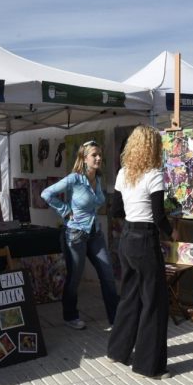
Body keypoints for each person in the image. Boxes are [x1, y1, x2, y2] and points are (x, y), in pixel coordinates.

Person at [106, 125, 178, 379]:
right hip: (145, 239)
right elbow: (159, 215)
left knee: (129, 296)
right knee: (154, 303)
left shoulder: (123, 173)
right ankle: (149, 366)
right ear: (153, 147)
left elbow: (115, 210)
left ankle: (117, 351)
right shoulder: (154, 174)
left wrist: (133, 214)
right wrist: (173, 233)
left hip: (126, 239)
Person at [41, 140, 119, 330]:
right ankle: (70, 316)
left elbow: (98, 202)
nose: (99, 158)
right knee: (75, 278)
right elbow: (46, 194)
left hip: (95, 233)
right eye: (94, 155)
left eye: (100, 154)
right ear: (84, 158)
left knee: (107, 274)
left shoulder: (98, 178)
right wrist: (65, 210)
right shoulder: (74, 179)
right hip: (75, 234)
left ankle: (117, 319)